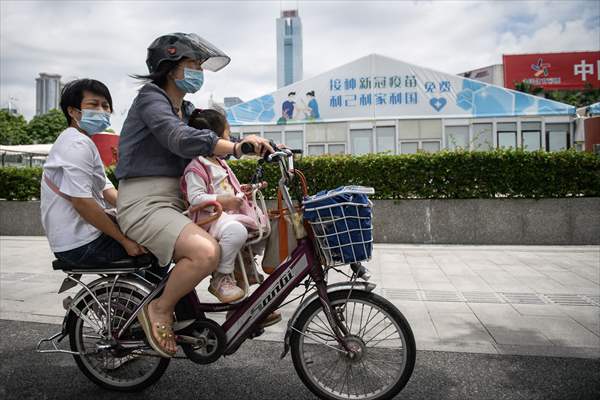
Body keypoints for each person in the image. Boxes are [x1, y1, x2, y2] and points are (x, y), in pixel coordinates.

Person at [115, 33, 275, 358]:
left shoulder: (184, 108)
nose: (198, 71)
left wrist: (264, 146)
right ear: (169, 67)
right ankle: (159, 309)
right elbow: (179, 138)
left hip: (175, 204)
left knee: (239, 232)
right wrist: (235, 147)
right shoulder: (151, 99)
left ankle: (239, 304)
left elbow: (208, 131)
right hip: (144, 204)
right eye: (192, 64)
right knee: (205, 253)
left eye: (200, 65)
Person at [41, 79, 146, 267]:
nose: (102, 111)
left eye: (106, 106)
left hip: (76, 240)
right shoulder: (77, 144)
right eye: (93, 105)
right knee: (162, 246)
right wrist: (124, 240)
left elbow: (107, 190)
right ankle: (162, 298)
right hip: (81, 244)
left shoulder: (81, 141)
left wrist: (142, 207)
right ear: (72, 111)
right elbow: (82, 202)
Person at [181, 110, 274, 307]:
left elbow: (230, 188)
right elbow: (195, 198)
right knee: (237, 231)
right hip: (210, 219)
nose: (229, 141)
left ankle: (244, 274)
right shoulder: (196, 167)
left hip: (228, 215)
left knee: (264, 226)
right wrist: (224, 200)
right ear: (212, 140)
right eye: (226, 135)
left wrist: (244, 191)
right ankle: (221, 277)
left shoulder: (220, 163)